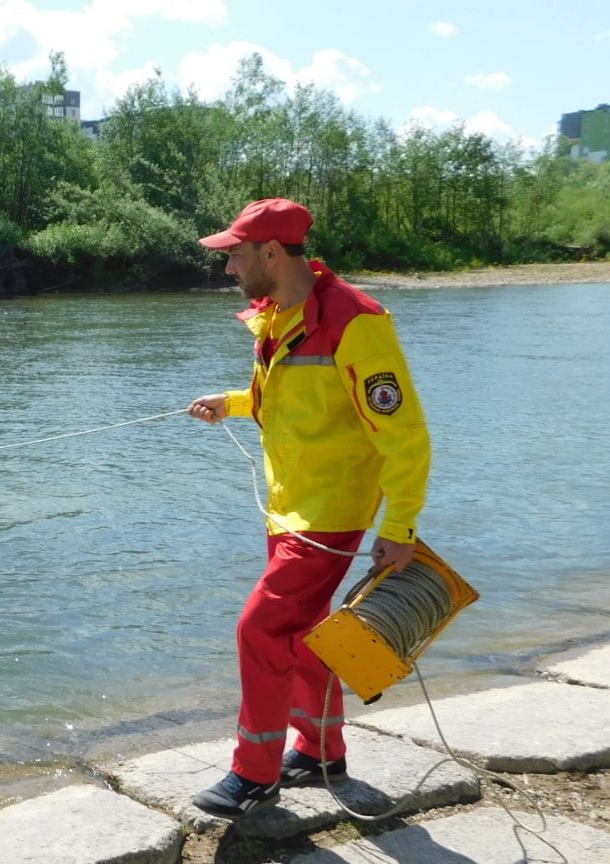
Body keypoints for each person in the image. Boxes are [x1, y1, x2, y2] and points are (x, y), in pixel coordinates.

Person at [185, 198, 431, 819]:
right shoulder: (280, 314)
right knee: (301, 633)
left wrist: (399, 527)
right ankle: (322, 752)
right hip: (289, 508)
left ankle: (255, 774)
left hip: (330, 517)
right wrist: (231, 402)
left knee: (260, 629)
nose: (228, 268)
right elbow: (289, 401)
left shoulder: (357, 321)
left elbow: (405, 436)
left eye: (235, 255)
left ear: (271, 252)